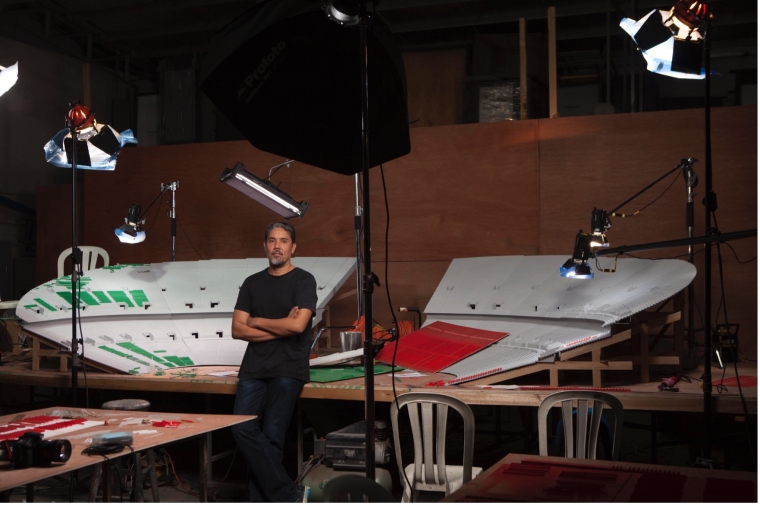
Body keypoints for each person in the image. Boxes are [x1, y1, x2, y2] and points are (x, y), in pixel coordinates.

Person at [230, 222, 317, 502]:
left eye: (283, 241)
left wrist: (257, 321)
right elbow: (237, 330)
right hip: (254, 368)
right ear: (264, 245)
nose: (276, 245)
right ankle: (287, 494)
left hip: (289, 368)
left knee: (273, 436)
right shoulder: (253, 283)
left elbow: (297, 327)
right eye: (271, 240)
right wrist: (280, 327)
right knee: (241, 427)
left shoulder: (304, 280)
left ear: (293, 247)